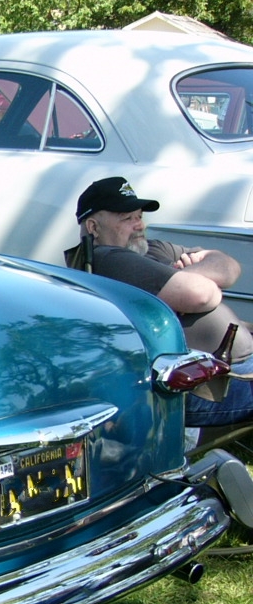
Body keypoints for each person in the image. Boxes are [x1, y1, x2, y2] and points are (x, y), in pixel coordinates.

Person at [69, 176, 253, 427]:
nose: (139, 225)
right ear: (93, 227)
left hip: (231, 371)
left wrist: (179, 279)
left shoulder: (153, 249)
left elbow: (230, 267)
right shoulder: (109, 259)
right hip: (205, 385)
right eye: (127, 218)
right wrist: (191, 280)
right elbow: (202, 294)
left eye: (139, 216)